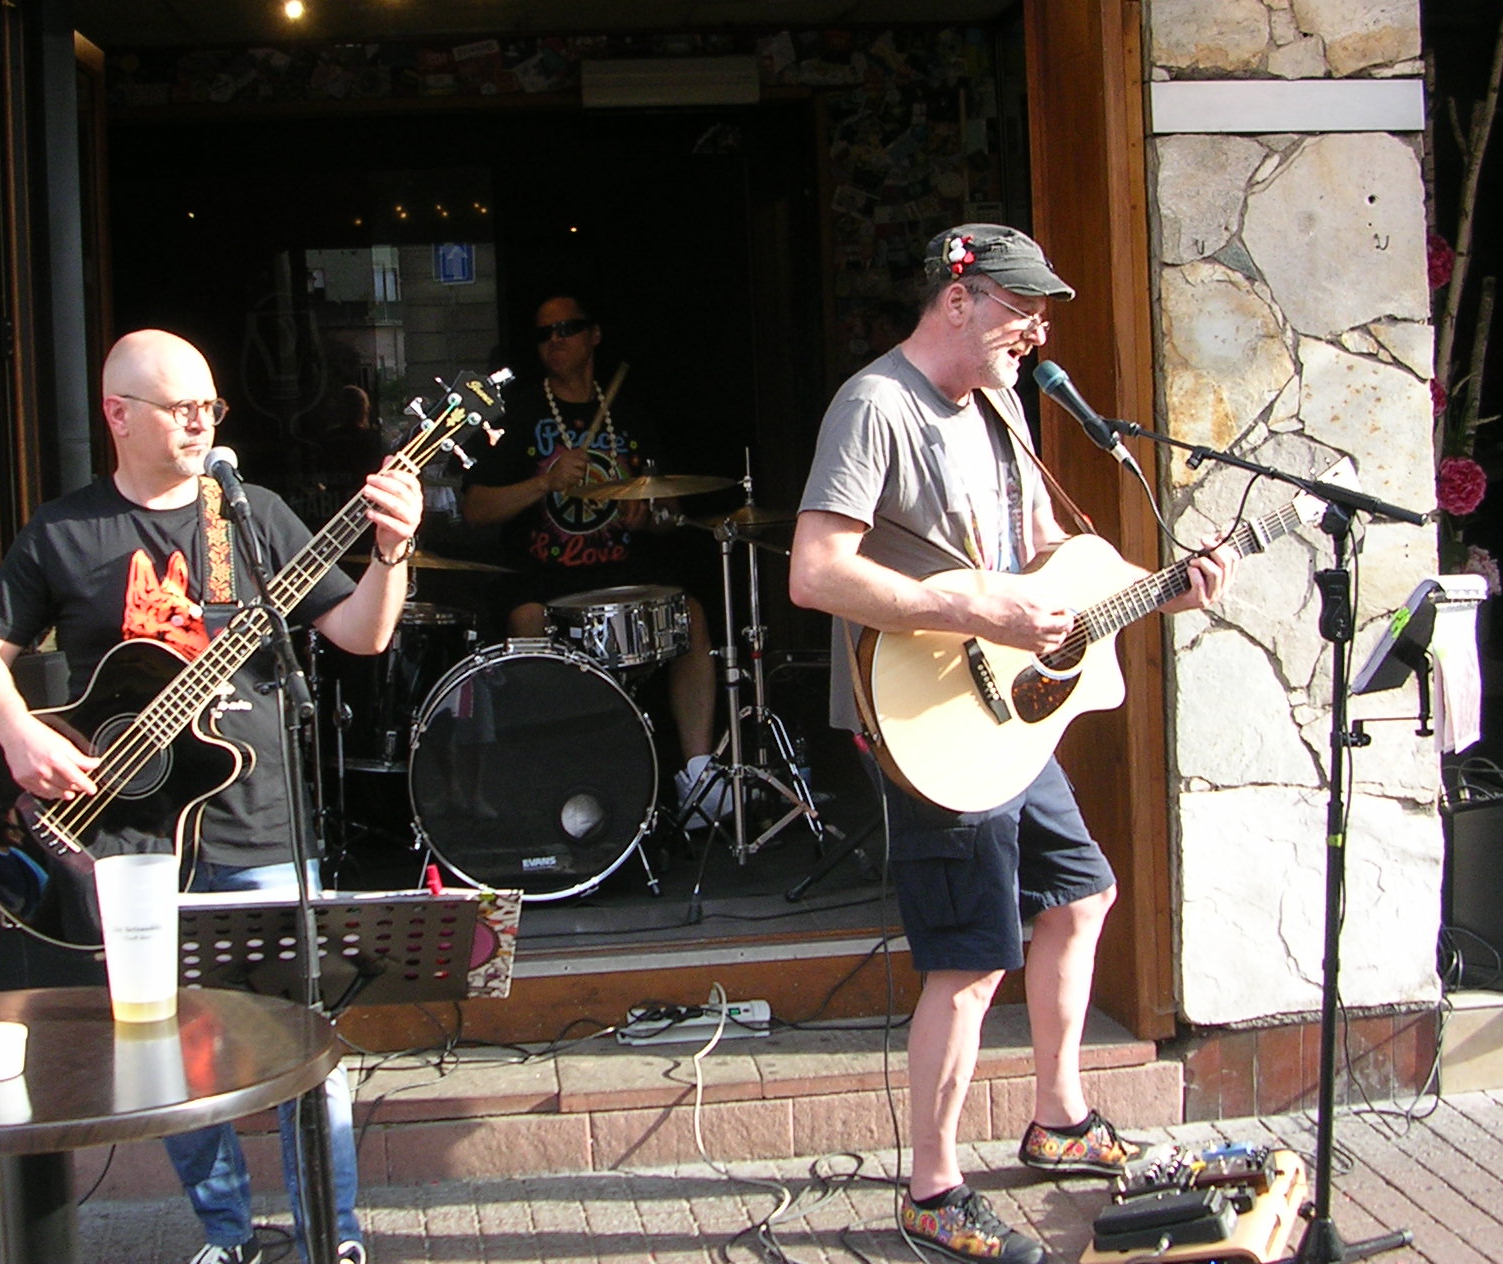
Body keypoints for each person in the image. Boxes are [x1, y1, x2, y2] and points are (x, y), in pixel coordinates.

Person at [788, 225, 1233, 1263]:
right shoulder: (874, 407)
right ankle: (932, 1192)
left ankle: (1056, 1118)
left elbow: (1043, 554)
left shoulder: (995, 406)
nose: (1036, 330)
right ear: (957, 300)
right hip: (928, 723)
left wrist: (1161, 586)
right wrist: (970, 612)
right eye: (1019, 309)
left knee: (1080, 895)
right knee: (970, 961)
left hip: (1003, 724)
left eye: (1040, 313)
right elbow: (816, 573)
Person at [0, 329, 422, 1264]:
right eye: (182, 406)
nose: (203, 419)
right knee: (165, 1053)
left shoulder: (251, 516)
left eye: (211, 403)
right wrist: (18, 732)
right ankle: (225, 1235)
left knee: (304, 1050)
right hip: (126, 844)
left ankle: (335, 1238)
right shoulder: (63, 530)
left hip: (262, 831)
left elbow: (362, 637)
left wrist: (392, 552)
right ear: (118, 414)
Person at [461, 293, 718, 798]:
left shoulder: (629, 415)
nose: (555, 340)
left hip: (621, 575)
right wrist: (544, 484)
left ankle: (698, 776)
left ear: (594, 335)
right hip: (545, 581)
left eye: (567, 329)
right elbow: (474, 510)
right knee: (525, 619)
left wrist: (649, 516)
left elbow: (670, 514)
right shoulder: (520, 413)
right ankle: (552, 777)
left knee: (690, 613)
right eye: (544, 333)